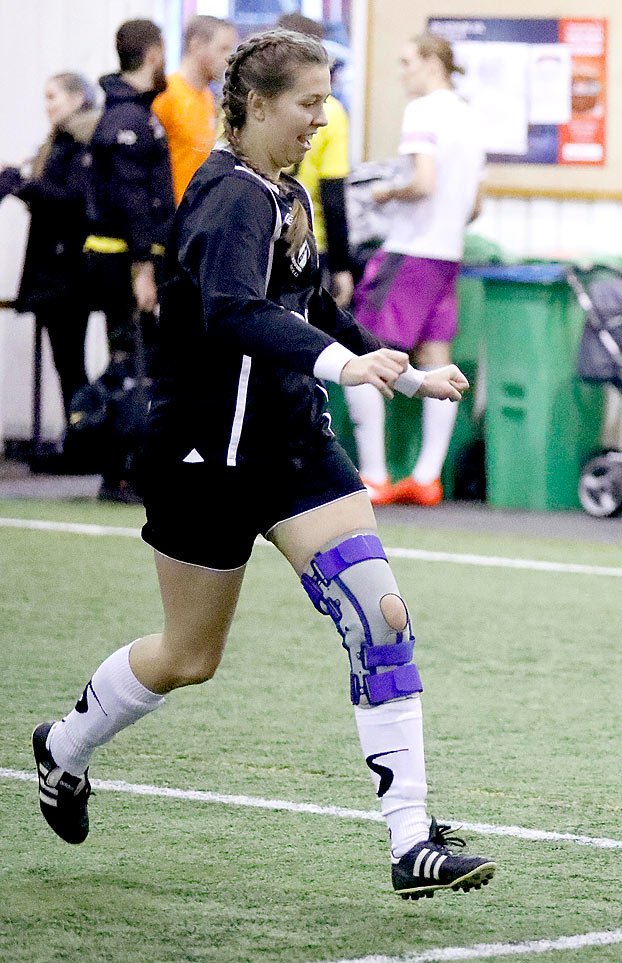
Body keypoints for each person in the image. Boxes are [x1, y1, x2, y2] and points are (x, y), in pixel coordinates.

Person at [31, 28, 497, 901]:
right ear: (252, 107)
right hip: (204, 458)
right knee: (188, 654)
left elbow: (308, 301)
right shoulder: (226, 197)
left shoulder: (288, 192)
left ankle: (411, 839)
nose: (322, 120)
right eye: (307, 104)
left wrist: (397, 364)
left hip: (292, 449)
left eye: (325, 101)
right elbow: (236, 311)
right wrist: (339, 363)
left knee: (382, 614)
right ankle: (64, 747)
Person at [346, 32, 484, 507]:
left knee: (365, 349)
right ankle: (427, 477)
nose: (401, 72)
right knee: (435, 356)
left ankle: (374, 475)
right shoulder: (469, 116)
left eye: (406, 61)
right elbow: (475, 205)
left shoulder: (423, 112)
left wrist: (385, 194)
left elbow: (423, 182)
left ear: (430, 62)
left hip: (410, 250)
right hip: (448, 252)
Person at [0, 72, 99, 435]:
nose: (47, 105)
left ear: (76, 99)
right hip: (60, 265)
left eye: (53, 96)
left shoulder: (78, 142)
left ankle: (84, 437)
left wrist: (23, 186)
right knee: (67, 359)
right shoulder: (60, 142)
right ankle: (80, 436)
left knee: (70, 359)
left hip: (68, 268)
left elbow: (72, 200)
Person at [88, 19, 174, 369]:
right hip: (123, 259)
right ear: (154, 54)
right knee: (133, 368)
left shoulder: (135, 111)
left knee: (140, 361)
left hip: (132, 256)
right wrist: (143, 268)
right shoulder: (128, 118)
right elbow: (132, 196)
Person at [278, 12, 356, 309]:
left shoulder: (245, 106)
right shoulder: (331, 112)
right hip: (309, 243)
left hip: (260, 239)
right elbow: (333, 196)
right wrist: (341, 265)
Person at [153, 14, 237, 204]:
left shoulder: (208, 97)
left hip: (196, 215)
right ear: (196, 45)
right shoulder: (166, 94)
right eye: (223, 48)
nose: (229, 58)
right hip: (170, 217)